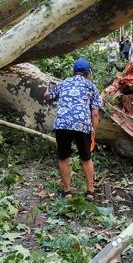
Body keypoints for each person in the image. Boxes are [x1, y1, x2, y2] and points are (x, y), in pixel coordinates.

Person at [44, 58, 103, 201]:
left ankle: (67, 191)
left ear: (73, 71)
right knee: (86, 158)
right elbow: (95, 113)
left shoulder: (64, 83)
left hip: (62, 124)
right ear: (88, 73)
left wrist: (47, 93)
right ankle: (90, 191)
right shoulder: (91, 86)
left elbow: (48, 98)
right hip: (82, 125)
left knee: (64, 157)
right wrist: (93, 132)